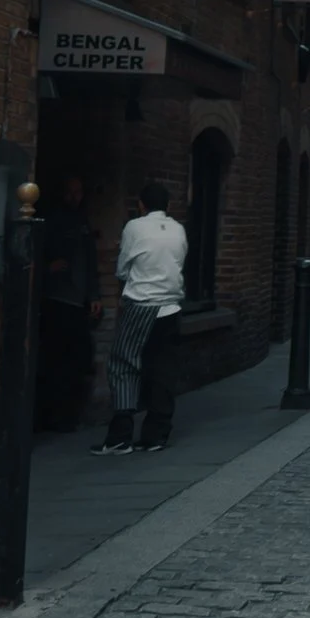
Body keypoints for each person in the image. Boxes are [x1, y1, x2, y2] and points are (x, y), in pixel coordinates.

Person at [98, 177, 186, 454]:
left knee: (124, 364)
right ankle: (157, 434)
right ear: (168, 205)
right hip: (171, 307)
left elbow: (123, 268)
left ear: (141, 205)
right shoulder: (178, 229)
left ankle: (120, 436)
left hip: (141, 303)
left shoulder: (135, 227)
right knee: (162, 369)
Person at [35, 173, 98, 429]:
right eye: (70, 192)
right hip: (56, 298)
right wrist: (46, 268)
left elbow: (90, 261)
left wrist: (93, 295)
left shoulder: (83, 222)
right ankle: (49, 414)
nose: (75, 197)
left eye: (78, 192)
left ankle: (68, 413)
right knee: (54, 358)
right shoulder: (51, 220)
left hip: (77, 300)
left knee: (77, 359)